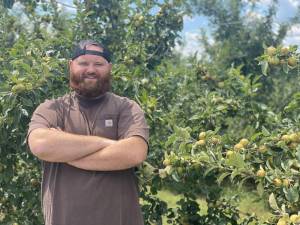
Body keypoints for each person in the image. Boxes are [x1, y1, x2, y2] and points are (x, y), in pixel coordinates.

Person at [27, 40, 149, 225]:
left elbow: (134, 152)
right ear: (71, 65)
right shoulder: (52, 108)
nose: (91, 69)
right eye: (83, 63)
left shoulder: (127, 108)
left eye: (98, 64)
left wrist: (63, 152)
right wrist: (108, 144)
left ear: (109, 67)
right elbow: (41, 145)